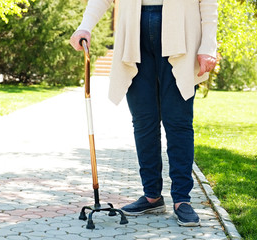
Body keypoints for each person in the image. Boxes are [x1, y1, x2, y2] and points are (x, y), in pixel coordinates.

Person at [70, 0, 218, 227]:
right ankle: (152, 196)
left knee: (177, 122)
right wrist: (85, 26)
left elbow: (208, 3)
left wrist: (208, 46)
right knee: (143, 122)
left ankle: (182, 200)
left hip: (182, 33)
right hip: (135, 35)